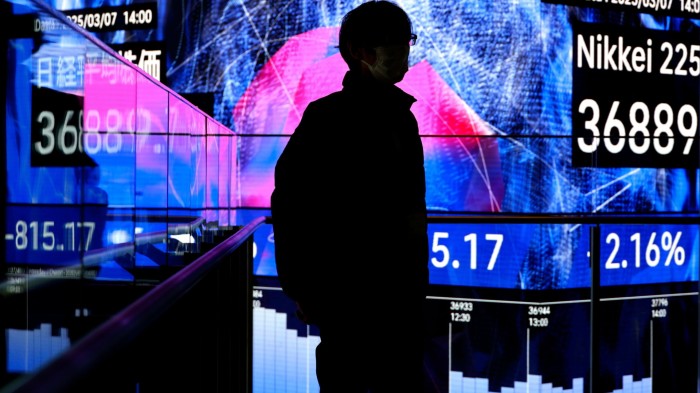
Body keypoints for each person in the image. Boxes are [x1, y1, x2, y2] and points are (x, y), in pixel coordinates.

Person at [270, 1, 429, 392]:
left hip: (380, 302)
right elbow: (291, 205)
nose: (404, 50)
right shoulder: (331, 118)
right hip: (358, 302)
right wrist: (303, 287)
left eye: (406, 40)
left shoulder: (397, 117)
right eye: (394, 41)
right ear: (360, 52)